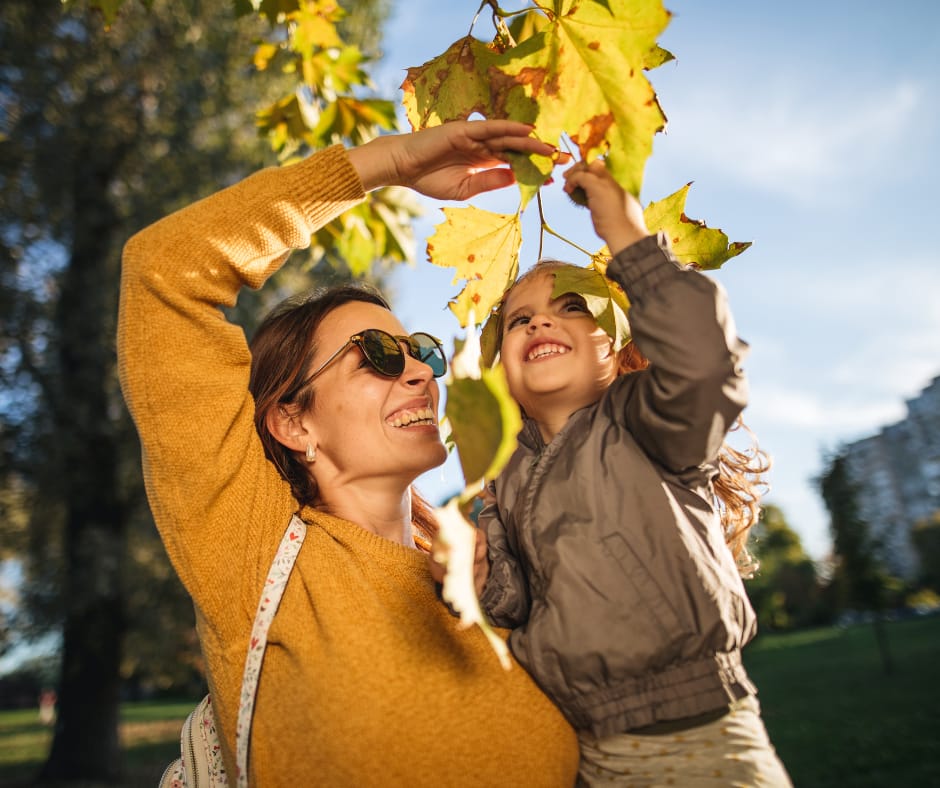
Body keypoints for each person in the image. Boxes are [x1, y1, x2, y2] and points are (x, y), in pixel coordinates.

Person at [117, 120, 581, 786]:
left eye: (419, 352)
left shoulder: (489, 572)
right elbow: (164, 272)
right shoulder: (253, 548)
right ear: (292, 422)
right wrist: (384, 163)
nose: (421, 373)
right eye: (379, 357)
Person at [463, 158, 792, 786]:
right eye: (518, 319)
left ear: (612, 348)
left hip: (699, 734)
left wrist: (629, 241)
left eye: (572, 307)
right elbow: (513, 602)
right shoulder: (500, 482)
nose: (539, 321)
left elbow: (704, 366)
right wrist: (481, 579)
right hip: (581, 748)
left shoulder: (650, 424)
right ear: (502, 369)